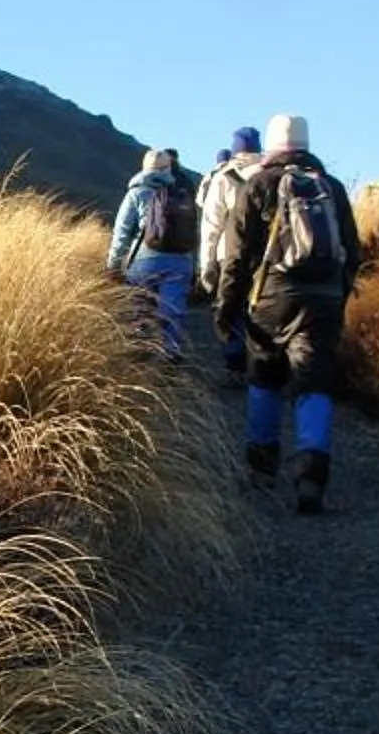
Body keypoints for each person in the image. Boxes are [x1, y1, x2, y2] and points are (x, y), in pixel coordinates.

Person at [212, 113, 363, 513]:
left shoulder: (258, 184)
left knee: (264, 374)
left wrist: (226, 308)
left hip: (271, 299)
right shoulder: (330, 188)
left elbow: (237, 257)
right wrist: (337, 296)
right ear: (306, 144)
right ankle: (311, 472)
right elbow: (353, 251)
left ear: (273, 146)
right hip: (324, 299)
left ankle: (262, 468)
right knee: (314, 381)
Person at [104, 146, 201, 362]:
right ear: (169, 169)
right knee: (173, 308)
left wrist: (113, 264)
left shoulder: (136, 193)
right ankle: (171, 350)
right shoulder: (183, 195)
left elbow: (121, 233)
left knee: (141, 304)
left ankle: (142, 344)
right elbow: (193, 234)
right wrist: (194, 266)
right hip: (181, 260)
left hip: (145, 260)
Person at [196, 126, 266, 377]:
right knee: (259, 309)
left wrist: (207, 266)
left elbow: (211, 226)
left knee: (231, 308)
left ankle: (235, 364)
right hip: (267, 257)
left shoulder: (224, 177)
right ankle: (262, 364)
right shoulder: (272, 174)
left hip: (230, 254)